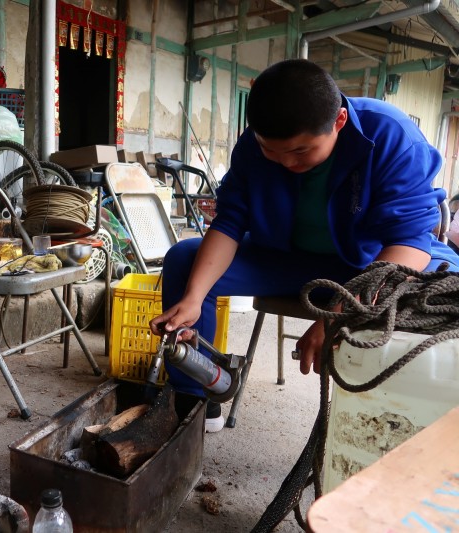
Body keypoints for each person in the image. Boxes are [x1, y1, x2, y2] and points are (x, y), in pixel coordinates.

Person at [149, 59, 459, 432]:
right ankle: (191, 401)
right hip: (290, 259)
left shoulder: (389, 134)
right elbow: (230, 222)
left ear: (339, 122)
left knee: (437, 303)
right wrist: (194, 297)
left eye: (300, 151)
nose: (285, 162)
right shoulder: (253, 145)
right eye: (272, 151)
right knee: (185, 259)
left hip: (367, 263)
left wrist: (337, 315)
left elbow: (409, 241)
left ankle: (390, 427)